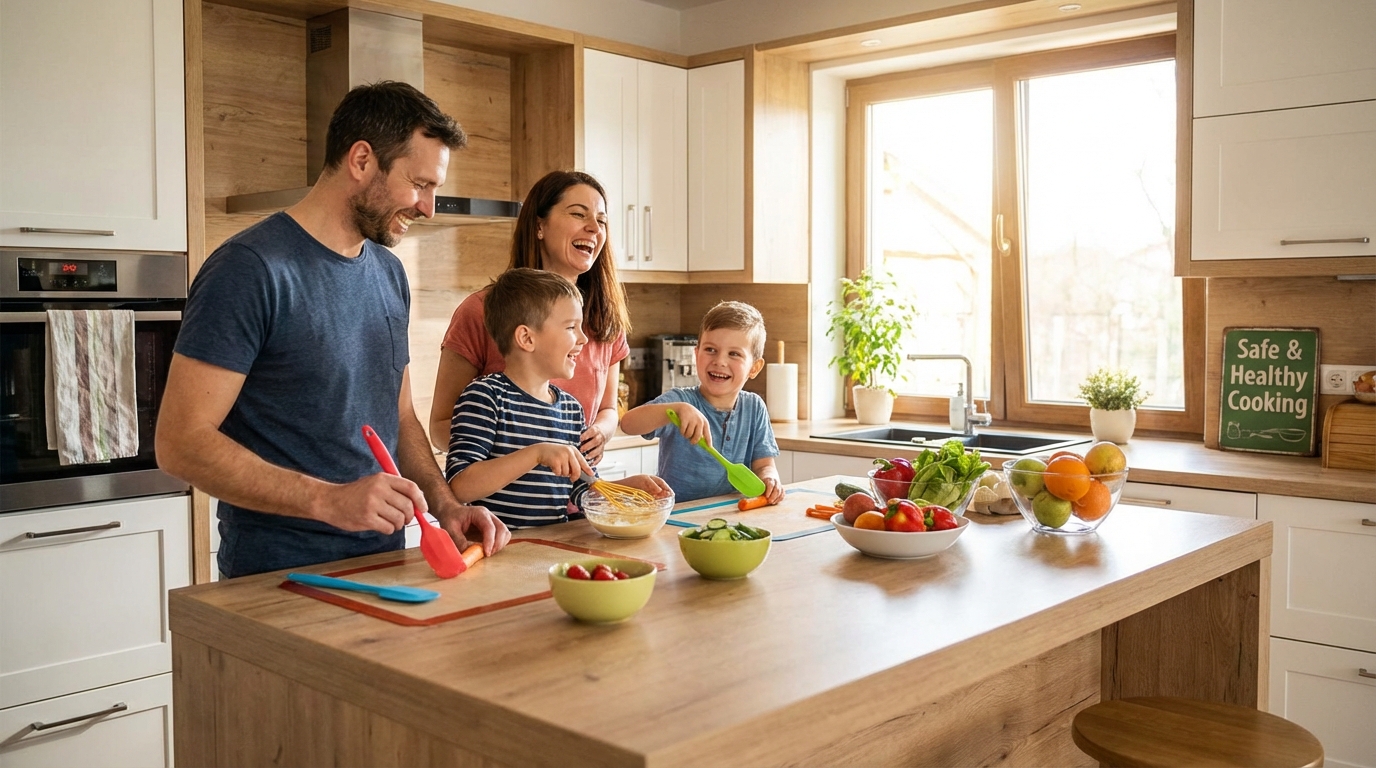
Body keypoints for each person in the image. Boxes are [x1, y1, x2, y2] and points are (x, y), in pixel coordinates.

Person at [156, 81, 510, 579]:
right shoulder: (250, 269)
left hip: (385, 566)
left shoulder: (388, 273)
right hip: (278, 578)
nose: (429, 208)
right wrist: (329, 501)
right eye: (421, 184)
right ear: (362, 160)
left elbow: (400, 414)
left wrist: (445, 506)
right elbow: (180, 442)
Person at [428, 171, 630, 466]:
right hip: (500, 507)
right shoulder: (481, 311)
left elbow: (608, 409)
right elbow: (441, 425)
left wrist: (601, 432)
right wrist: (528, 456)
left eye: (601, 221)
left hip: (574, 503)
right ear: (539, 225)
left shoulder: (604, 318)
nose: (593, 228)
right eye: (578, 214)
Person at [444, 268, 670, 527]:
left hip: (550, 547)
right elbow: (460, 486)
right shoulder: (484, 397)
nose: (584, 339)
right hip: (494, 551)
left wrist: (624, 488)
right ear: (527, 338)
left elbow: (582, 489)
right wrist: (536, 454)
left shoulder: (571, 410)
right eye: (571, 327)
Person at [620, 301, 785, 504]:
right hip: (677, 515)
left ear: (754, 368)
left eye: (734, 354)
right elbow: (628, 424)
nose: (720, 361)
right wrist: (674, 410)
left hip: (731, 514)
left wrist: (770, 478)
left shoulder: (754, 407)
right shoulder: (680, 401)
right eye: (710, 350)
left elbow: (764, 464)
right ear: (696, 355)